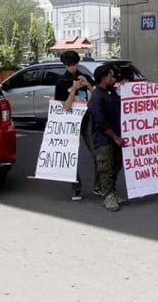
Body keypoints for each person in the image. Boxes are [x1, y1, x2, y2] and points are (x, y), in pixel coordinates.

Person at [53, 50, 97, 201]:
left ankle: (98, 185)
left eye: (74, 64)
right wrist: (73, 90)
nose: (72, 68)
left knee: (97, 153)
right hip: (70, 123)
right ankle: (76, 187)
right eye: (69, 65)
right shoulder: (62, 82)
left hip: (86, 121)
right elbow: (65, 106)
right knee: (72, 156)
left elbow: (97, 95)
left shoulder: (84, 77)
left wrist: (87, 85)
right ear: (65, 65)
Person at [88, 64, 125, 212]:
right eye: (111, 76)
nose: (114, 78)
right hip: (104, 140)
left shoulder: (111, 94)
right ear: (104, 78)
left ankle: (113, 192)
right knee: (106, 168)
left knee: (116, 165)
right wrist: (115, 137)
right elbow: (100, 122)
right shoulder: (97, 97)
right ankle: (108, 196)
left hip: (114, 137)